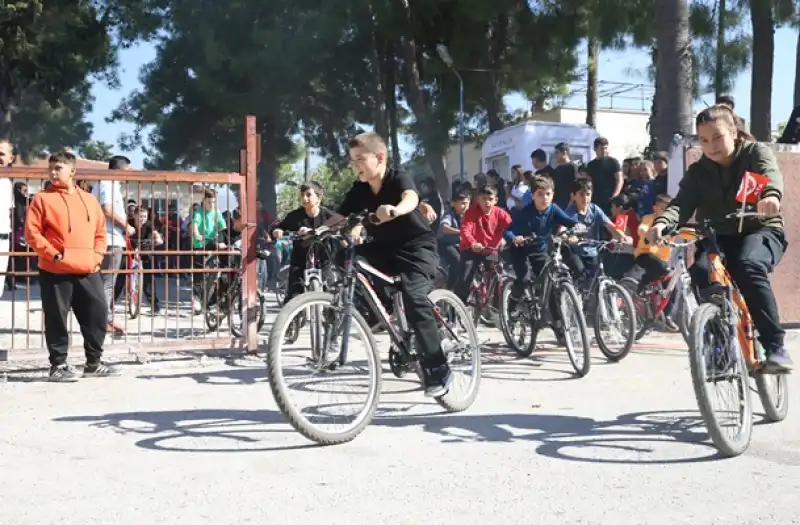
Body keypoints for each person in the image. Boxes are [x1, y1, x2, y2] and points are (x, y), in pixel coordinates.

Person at [647, 103, 792, 372]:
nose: (711, 145)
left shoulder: (754, 153)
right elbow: (681, 203)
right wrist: (662, 223)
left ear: (734, 132)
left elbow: (769, 174)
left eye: (717, 137)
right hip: (717, 236)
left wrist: (770, 195)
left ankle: (775, 347)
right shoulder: (698, 171)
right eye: (703, 140)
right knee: (701, 272)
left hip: (760, 228)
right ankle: (720, 347)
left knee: (748, 265)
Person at [328, 132, 452, 396]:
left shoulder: (397, 177)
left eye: (360, 159)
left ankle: (438, 367)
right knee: (346, 258)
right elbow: (338, 217)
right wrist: (313, 230)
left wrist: (395, 210)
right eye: (352, 160)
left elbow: (411, 198)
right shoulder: (360, 189)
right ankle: (381, 309)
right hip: (384, 249)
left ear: (380, 157)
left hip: (417, 248)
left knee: (414, 296)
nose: (355, 165)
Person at [25, 150, 121, 381]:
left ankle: (93, 363)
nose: (53, 172)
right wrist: (54, 255)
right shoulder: (41, 199)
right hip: (55, 269)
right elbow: (32, 233)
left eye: (58, 168)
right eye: (51, 168)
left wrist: (97, 256)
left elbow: (100, 232)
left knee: (97, 313)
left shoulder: (89, 200)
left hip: (88, 268)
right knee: (57, 318)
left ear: (73, 171)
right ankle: (58, 366)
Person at [503, 176, 584, 319]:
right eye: (540, 194)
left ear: (553, 195)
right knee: (523, 279)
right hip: (521, 250)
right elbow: (508, 231)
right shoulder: (525, 213)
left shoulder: (553, 209)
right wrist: (515, 238)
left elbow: (568, 221)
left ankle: (558, 324)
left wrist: (577, 227)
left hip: (539, 250)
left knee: (550, 285)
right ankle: (513, 303)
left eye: (548, 194)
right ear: (532, 196)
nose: (545, 198)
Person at [271, 181, 335, 304]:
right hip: (300, 261)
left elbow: (343, 223)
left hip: (323, 259)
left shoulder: (328, 215)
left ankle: (331, 319)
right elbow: (279, 227)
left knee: (332, 293)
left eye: (308, 195)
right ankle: (292, 321)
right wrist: (277, 231)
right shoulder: (295, 216)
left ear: (319, 198)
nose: (304, 199)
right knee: (293, 295)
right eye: (302, 196)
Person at [94, 155, 136, 334]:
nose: (130, 174)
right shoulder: (108, 183)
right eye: (128, 170)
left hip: (110, 238)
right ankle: (103, 321)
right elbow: (107, 210)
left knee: (105, 281)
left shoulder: (110, 184)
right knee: (107, 282)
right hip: (110, 239)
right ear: (121, 169)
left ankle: (104, 318)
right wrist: (126, 226)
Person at [564, 179, 630, 285]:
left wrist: (623, 237)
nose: (585, 198)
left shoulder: (594, 210)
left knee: (595, 280)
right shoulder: (570, 213)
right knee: (581, 275)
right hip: (574, 252)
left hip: (592, 251)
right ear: (573, 196)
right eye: (581, 194)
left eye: (588, 194)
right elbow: (561, 230)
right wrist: (568, 238)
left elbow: (611, 226)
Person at [455, 185, 512, 301]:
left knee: (500, 270)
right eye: (484, 198)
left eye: (490, 199)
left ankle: (497, 305)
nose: (487, 202)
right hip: (472, 251)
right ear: (478, 199)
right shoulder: (471, 212)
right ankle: (458, 308)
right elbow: (465, 230)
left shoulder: (501, 214)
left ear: (495, 200)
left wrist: (511, 238)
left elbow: (511, 227)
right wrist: (472, 243)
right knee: (465, 278)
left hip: (491, 252)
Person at [190, 189, 228, 313]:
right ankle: (196, 298)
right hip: (200, 243)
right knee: (198, 272)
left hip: (212, 242)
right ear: (203, 201)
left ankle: (212, 298)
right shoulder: (199, 213)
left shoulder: (216, 212)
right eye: (208, 202)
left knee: (220, 265)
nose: (211, 205)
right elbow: (195, 224)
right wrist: (196, 234)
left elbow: (223, 227)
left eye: (213, 202)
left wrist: (224, 239)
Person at [129, 206, 164, 313]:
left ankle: (154, 304)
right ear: (134, 215)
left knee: (148, 280)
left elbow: (156, 234)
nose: (142, 219)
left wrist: (158, 239)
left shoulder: (149, 225)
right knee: (122, 276)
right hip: (130, 249)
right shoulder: (129, 223)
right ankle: (113, 302)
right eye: (140, 216)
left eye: (144, 216)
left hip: (145, 250)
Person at [437, 191, 470, 290]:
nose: (465, 206)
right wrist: (460, 232)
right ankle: (450, 289)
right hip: (445, 244)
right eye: (462, 203)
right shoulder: (449, 215)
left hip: (459, 245)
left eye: (467, 203)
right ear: (453, 203)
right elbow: (445, 228)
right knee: (457, 260)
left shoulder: (468, 216)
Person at [586, 137, 624, 217]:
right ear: (595, 149)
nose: (604, 151)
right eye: (601, 149)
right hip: (596, 200)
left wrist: (615, 196)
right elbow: (589, 183)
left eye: (605, 148)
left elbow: (619, 180)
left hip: (611, 200)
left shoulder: (613, 162)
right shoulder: (591, 165)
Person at [0, 140, 16, 293]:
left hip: (3, 240)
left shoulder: (7, 181)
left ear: (11, 158)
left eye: (1, 154)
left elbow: (9, 212)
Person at [551, 142, 577, 210]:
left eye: (557, 152)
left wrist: (571, 203)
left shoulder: (573, 167)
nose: (555, 155)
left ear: (564, 153)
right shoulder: (556, 170)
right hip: (557, 205)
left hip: (570, 205)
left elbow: (575, 186)